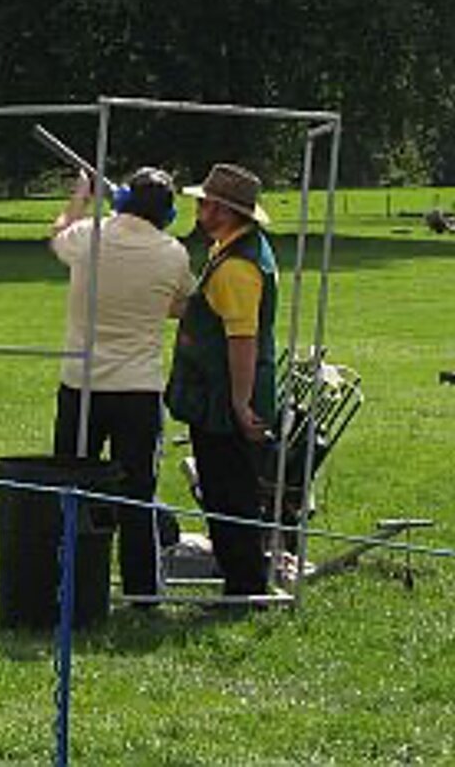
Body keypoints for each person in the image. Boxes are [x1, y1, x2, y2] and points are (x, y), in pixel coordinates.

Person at [50, 166, 195, 598]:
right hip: (139, 390)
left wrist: (81, 197)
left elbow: (59, 235)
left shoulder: (88, 236)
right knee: (137, 495)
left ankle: (70, 583)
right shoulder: (173, 253)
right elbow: (181, 305)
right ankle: (142, 591)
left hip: (82, 384)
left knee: (72, 487)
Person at [165, 163, 279, 599]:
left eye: (206, 203)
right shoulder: (232, 251)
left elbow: (242, 340)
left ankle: (245, 588)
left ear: (226, 211)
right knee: (226, 491)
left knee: (230, 495)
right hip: (219, 394)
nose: (198, 207)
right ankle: (241, 582)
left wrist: (239, 402)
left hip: (226, 398)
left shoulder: (237, 268)